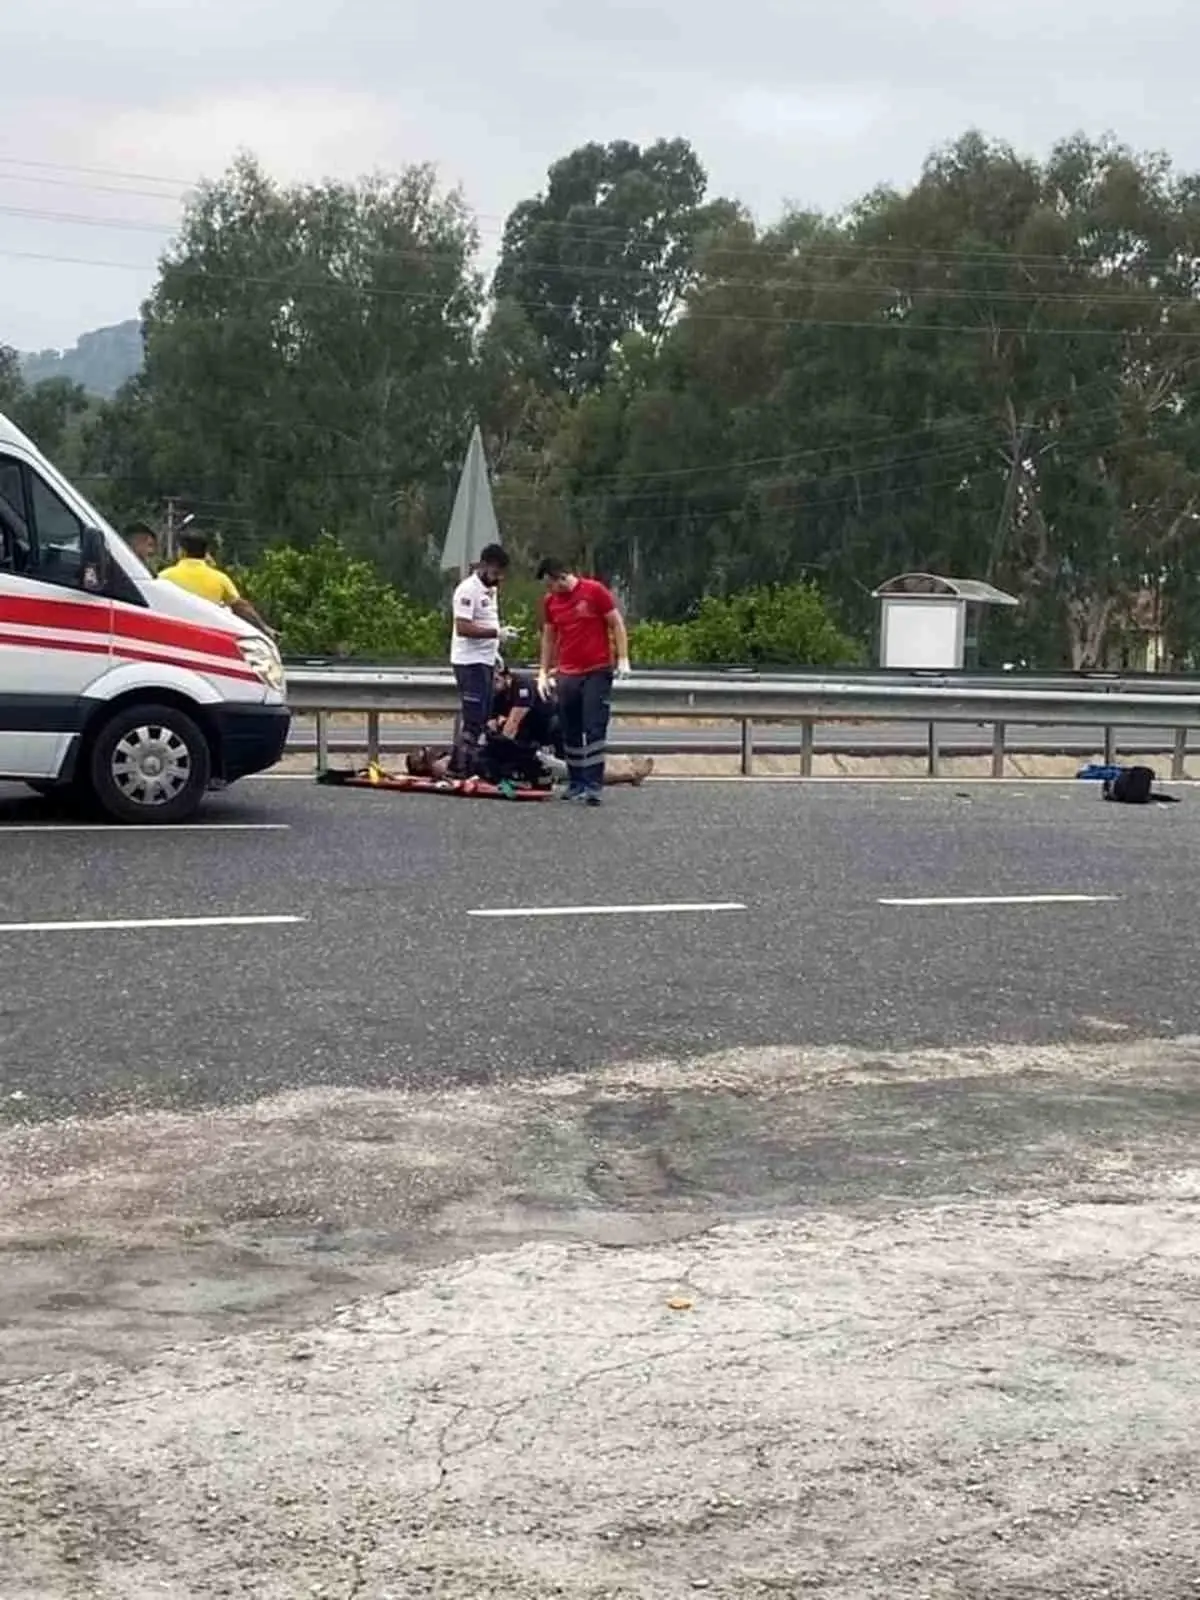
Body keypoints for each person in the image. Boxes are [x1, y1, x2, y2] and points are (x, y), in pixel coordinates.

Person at [536, 557, 631, 805]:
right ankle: (576, 781)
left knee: (594, 727)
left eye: (551, 583)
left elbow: (616, 623)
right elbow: (548, 638)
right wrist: (543, 671)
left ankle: (593, 785)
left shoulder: (594, 591)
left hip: (596, 670)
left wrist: (623, 658)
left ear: (560, 577)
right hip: (568, 673)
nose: (550, 590)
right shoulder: (551, 602)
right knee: (570, 728)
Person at [490, 660, 653, 788]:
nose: (493, 685)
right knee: (572, 767)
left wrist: (499, 752)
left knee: (575, 769)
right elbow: (491, 725)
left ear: (506, 676)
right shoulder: (496, 695)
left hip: (550, 732)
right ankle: (627, 769)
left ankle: (630, 772)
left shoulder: (521, 686)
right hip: (529, 742)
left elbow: (512, 725)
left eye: (496, 680)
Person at [449, 543, 517, 776]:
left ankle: (475, 764)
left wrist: (495, 650)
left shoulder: (491, 589)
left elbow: (487, 619)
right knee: (474, 717)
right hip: (469, 662)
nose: (499, 578)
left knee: (487, 714)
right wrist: (496, 633)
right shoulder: (468, 590)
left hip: (486, 660)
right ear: (485, 565)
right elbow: (463, 627)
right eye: (496, 572)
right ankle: (458, 767)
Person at [160, 532, 274, 635]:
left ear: (182, 551)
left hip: (174, 634)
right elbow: (241, 607)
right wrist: (264, 627)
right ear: (205, 553)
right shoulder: (220, 579)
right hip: (208, 636)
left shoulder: (164, 577)